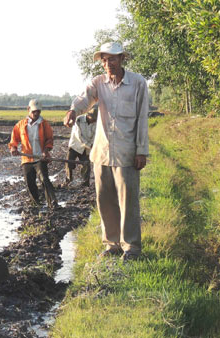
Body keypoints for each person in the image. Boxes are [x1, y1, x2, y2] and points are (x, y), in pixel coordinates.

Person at [64, 42, 149, 262]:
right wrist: (73, 111)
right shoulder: (98, 83)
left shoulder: (138, 83)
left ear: (122, 59)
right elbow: (84, 98)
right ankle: (112, 244)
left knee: (128, 201)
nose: (107, 63)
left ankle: (131, 247)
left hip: (127, 153)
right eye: (104, 60)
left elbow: (142, 120)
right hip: (101, 152)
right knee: (104, 200)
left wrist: (141, 150)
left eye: (112, 59)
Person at [9, 99, 58, 209]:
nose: (36, 113)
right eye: (34, 111)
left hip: (40, 157)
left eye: (38, 111)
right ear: (28, 110)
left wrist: (46, 151)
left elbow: (49, 139)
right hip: (27, 158)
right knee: (29, 182)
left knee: (44, 179)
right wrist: (13, 147)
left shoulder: (44, 124)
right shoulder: (21, 125)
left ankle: (53, 203)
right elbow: (14, 139)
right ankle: (37, 203)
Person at [63, 108, 97, 187]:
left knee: (86, 165)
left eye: (95, 119)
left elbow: (95, 136)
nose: (94, 120)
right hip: (75, 145)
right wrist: (89, 145)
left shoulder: (96, 123)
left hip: (86, 148)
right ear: (88, 116)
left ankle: (86, 182)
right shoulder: (78, 120)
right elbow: (79, 136)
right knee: (69, 163)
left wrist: (92, 145)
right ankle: (69, 179)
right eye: (93, 118)